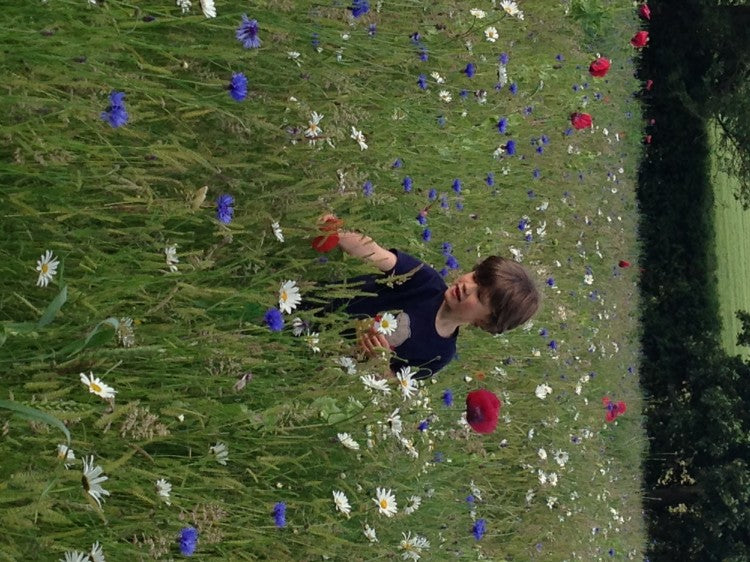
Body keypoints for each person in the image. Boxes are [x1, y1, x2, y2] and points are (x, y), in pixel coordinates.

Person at [320, 218, 541, 379]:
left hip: (327, 358)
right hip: (318, 305)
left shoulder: (439, 354)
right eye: (474, 276)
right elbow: (375, 253)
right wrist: (335, 232)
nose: (467, 286)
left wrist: (380, 366)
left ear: (486, 322)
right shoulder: (425, 280)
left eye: (480, 295)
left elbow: (395, 381)